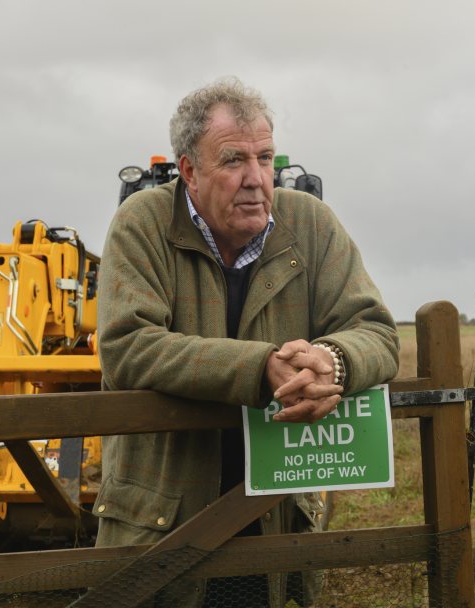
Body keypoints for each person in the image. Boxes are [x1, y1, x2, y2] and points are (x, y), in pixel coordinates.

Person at [93, 77, 399, 607]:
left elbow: (375, 331)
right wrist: (261, 369)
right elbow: (128, 346)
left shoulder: (311, 224)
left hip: (273, 520)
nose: (256, 179)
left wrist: (334, 362)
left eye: (265, 157)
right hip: (163, 521)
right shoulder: (142, 224)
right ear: (189, 170)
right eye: (234, 160)